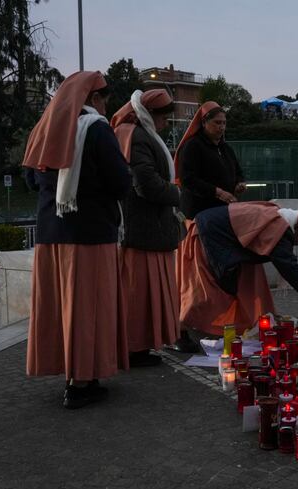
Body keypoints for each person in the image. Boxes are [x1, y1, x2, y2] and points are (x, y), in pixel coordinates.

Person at [23, 71, 132, 409]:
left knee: (62, 309)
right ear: (93, 98)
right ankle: (81, 382)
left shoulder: (44, 128)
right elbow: (120, 182)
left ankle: (73, 373)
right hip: (89, 234)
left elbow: (29, 178)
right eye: (104, 98)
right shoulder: (97, 129)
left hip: (50, 236)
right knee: (88, 309)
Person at [179, 202, 298, 336]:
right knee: (208, 289)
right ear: (296, 229)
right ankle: (180, 329)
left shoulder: (279, 217)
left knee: (236, 284)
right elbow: (291, 270)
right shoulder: (279, 231)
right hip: (208, 235)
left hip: (215, 231)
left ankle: (230, 323)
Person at [111, 89, 181, 367]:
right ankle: (133, 348)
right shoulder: (136, 135)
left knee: (139, 294)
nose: (165, 123)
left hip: (145, 229)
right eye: (163, 116)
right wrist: (178, 194)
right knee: (139, 296)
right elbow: (147, 184)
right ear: (149, 114)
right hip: (144, 229)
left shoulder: (133, 133)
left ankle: (137, 347)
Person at [175, 101, 247, 219]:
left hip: (222, 211)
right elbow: (188, 179)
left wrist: (239, 183)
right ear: (204, 122)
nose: (222, 127)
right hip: (199, 213)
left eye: (224, 123)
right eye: (217, 122)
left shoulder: (226, 148)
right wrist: (217, 192)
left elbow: (238, 172)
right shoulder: (192, 146)